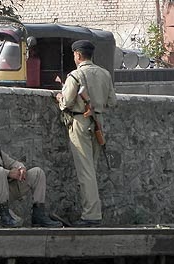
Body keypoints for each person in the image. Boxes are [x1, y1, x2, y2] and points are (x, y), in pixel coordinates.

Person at [55, 39, 117, 227]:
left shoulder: (76, 75)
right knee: (92, 169)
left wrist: (59, 97)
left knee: (86, 171)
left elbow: (66, 102)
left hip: (80, 122)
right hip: (98, 122)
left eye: (74, 54)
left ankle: (91, 215)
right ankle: (93, 212)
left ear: (78, 55)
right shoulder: (105, 74)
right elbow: (112, 102)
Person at [0, 114, 61, 229]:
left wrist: (21, 168)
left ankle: (38, 215)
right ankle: (4, 216)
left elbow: (12, 162)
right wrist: (8, 172)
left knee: (38, 173)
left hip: (4, 190)